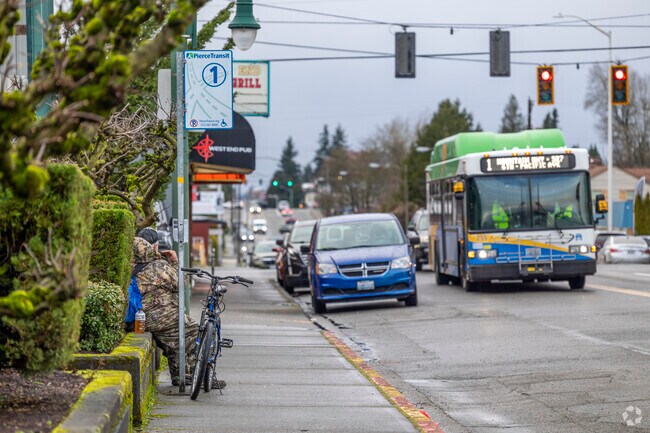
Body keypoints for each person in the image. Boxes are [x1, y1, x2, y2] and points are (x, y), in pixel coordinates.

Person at [133, 228, 225, 389]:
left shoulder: (130, 265)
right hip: (162, 318)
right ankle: (202, 377)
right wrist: (174, 262)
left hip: (138, 318)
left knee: (174, 339)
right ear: (155, 247)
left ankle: (180, 375)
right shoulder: (159, 267)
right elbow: (181, 285)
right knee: (196, 332)